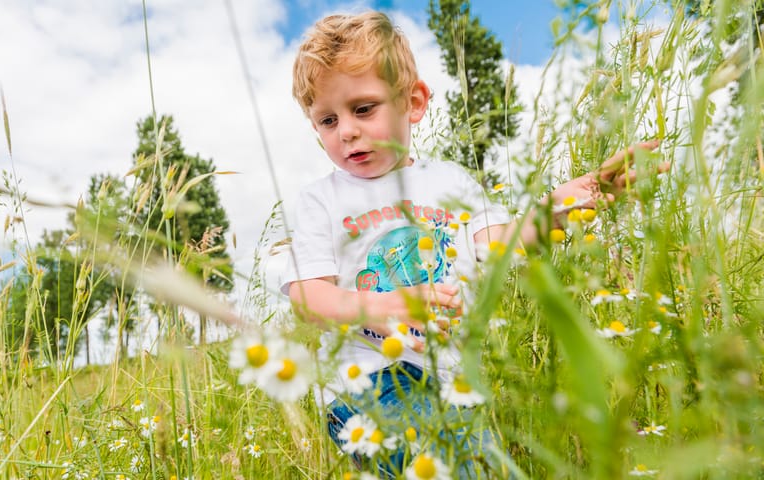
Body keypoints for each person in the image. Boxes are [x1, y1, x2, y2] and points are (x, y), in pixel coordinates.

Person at [281, 11, 668, 479]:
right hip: (369, 382)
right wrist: (386, 305)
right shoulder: (322, 200)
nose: (345, 131)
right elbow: (308, 296)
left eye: (363, 109)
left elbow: (502, 243)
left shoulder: (449, 181)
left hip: (453, 382)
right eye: (327, 119)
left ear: (414, 101)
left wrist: (571, 198)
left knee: (484, 467)